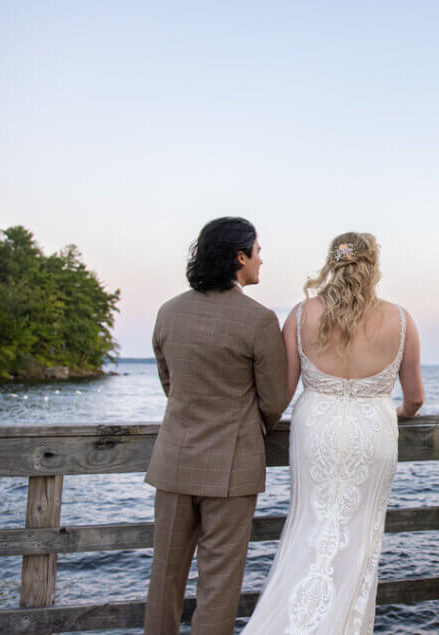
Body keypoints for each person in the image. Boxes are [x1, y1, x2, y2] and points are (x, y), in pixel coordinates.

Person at [242, 231, 424, 634]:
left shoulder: (301, 314)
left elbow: (281, 394)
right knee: (358, 543)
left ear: (332, 263)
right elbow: (415, 398)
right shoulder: (401, 319)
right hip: (373, 434)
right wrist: (394, 411)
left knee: (309, 528)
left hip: (316, 432)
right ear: (373, 265)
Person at [145, 217, 290, 635]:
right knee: (219, 584)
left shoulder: (168, 312)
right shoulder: (260, 319)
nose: (262, 260)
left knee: (164, 577)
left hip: (173, 461)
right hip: (232, 467)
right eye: (257, 251)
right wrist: (249, 425)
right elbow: (275, 399)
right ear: (239, 257)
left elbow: (170, 383)